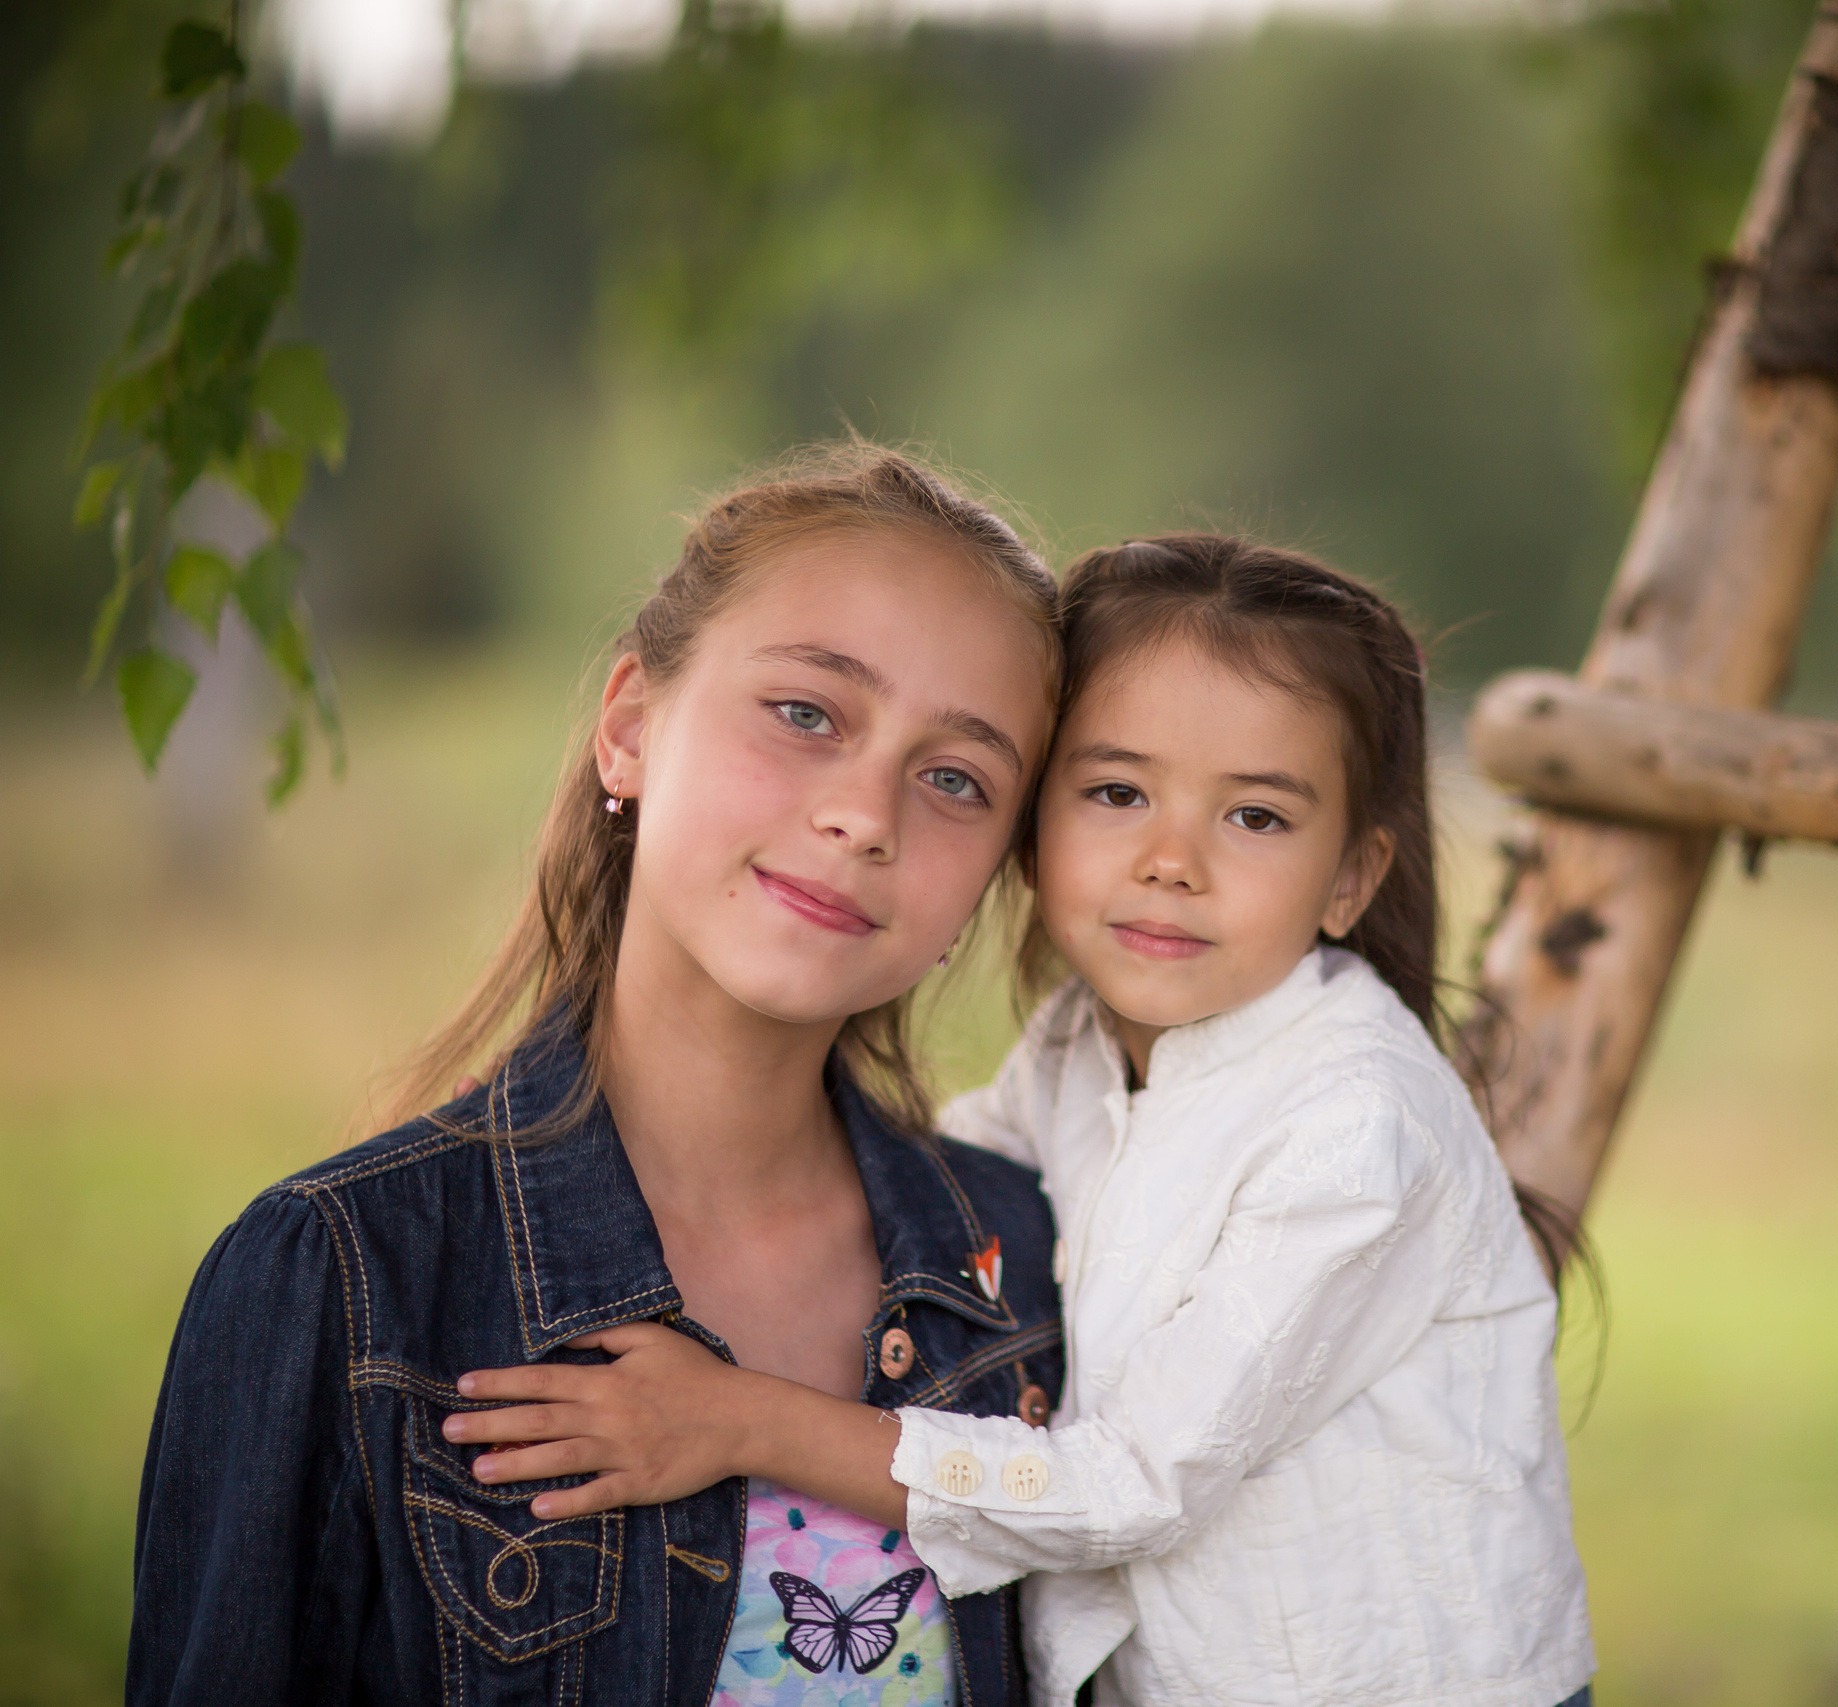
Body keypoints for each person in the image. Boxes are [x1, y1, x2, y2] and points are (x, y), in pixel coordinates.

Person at [449, 534, 1597, 1707]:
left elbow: (1133, 1485)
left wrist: (740, 1419)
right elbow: (934, 1198)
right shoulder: (1075, 1045)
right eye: (1115, 793)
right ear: (1030, 833)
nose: (1169, 862)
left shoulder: (1356, 1128)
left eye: (1254, 818)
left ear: (1350, 878)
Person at [128, 444, 1069, 1707]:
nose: (867, 814)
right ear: (629, 728)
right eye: (806, 713)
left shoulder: (1026, 1266)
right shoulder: (343, 1282)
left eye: (956, 778)